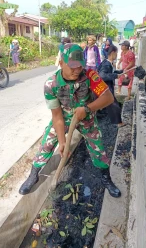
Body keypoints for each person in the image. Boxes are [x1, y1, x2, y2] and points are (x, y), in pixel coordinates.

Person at [19, 43, 121, 198]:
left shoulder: (90, 76)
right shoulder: (51, 84)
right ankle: (34, 174)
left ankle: (106, 179)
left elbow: (108, 98)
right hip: (64, 118)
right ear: (61, 63)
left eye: (80, 66)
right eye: (72, 66)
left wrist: (87, 109)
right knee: (46, 144)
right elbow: (57, 116)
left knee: (99, 149)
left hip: (86, 118)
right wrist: (62, 141)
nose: (77, 70)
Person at [97, 45, 125, 128]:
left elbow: (111, 72)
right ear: (112, 53)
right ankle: (118, 123)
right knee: (113, 104)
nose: (117, 55)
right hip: (106, 87)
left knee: (109, 103)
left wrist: (120, 72)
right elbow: (102, 75)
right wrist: (115, 76)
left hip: (105, 87)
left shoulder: (107, 63)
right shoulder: (107, 64)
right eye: (116, 53)